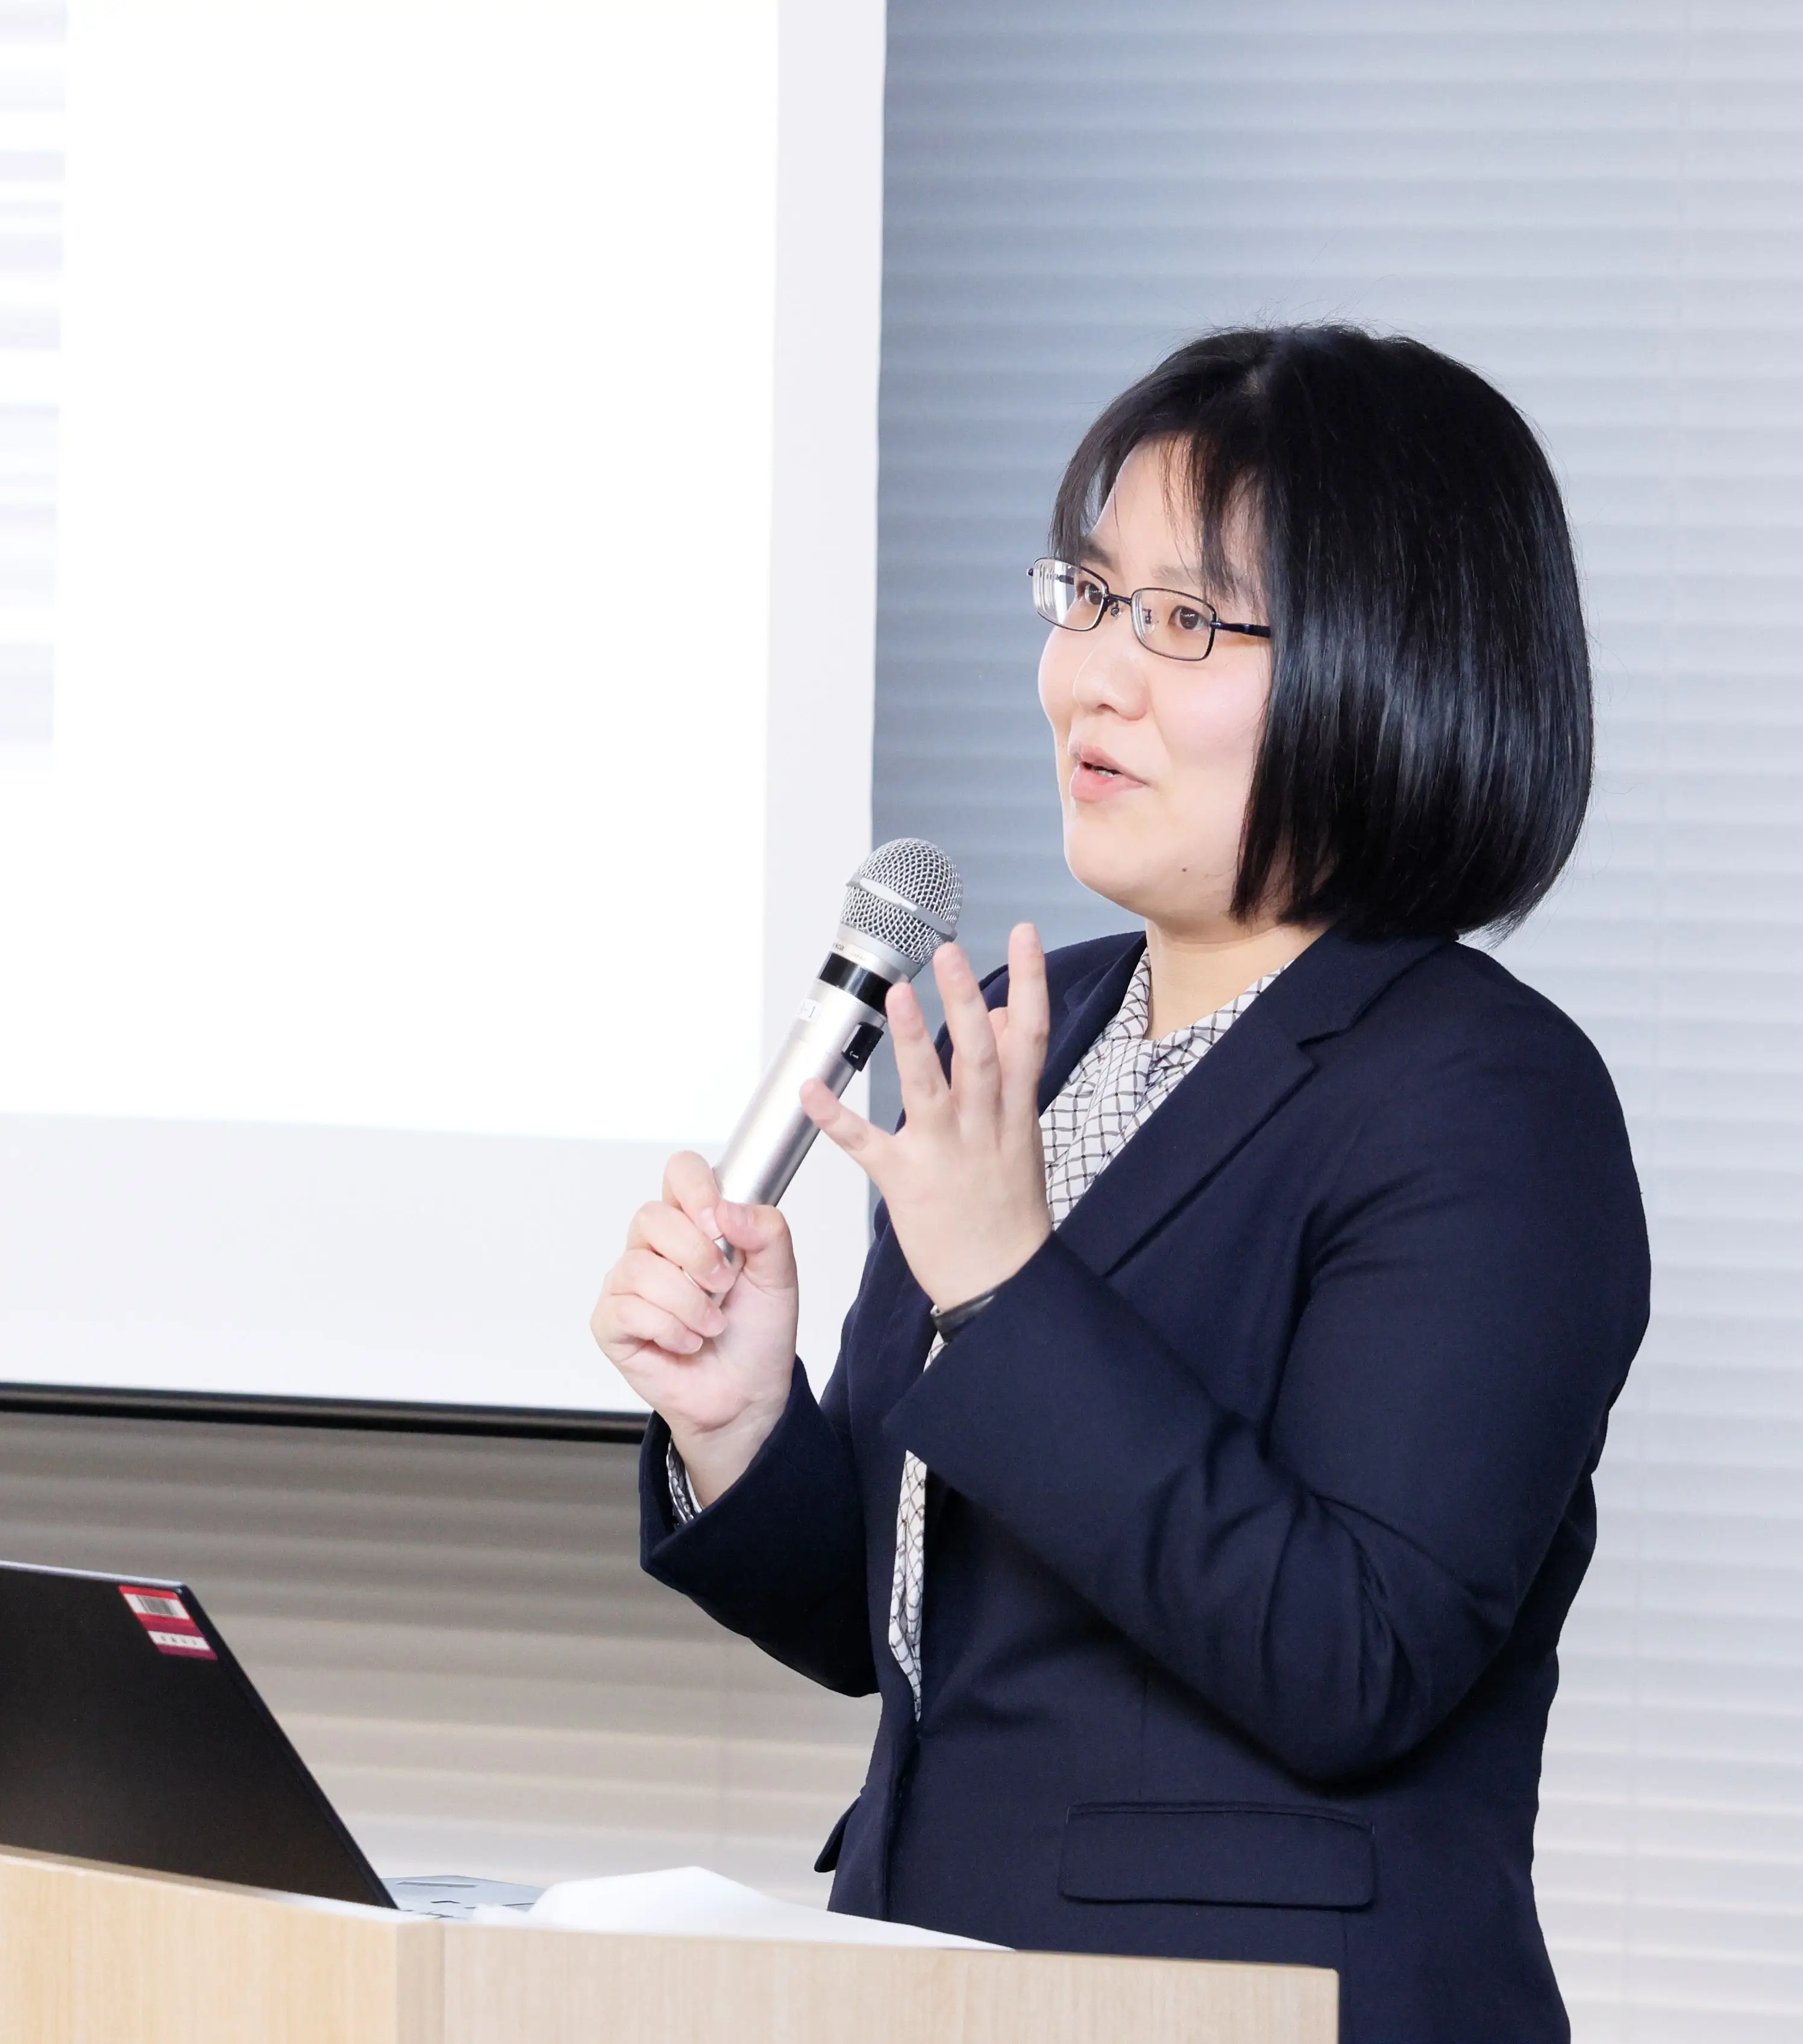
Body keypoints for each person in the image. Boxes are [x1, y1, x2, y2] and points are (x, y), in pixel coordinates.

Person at [588, 324, 1650, 2043]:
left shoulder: (1488, 1098)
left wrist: (1009, 1289)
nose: (1093, 676)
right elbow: (921, 1628)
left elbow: (1355, 1657)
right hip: (941, 1987)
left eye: (1187, 621)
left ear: (1395, 661)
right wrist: (742, 1425)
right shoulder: (1037, 1026)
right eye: (1087, 597)